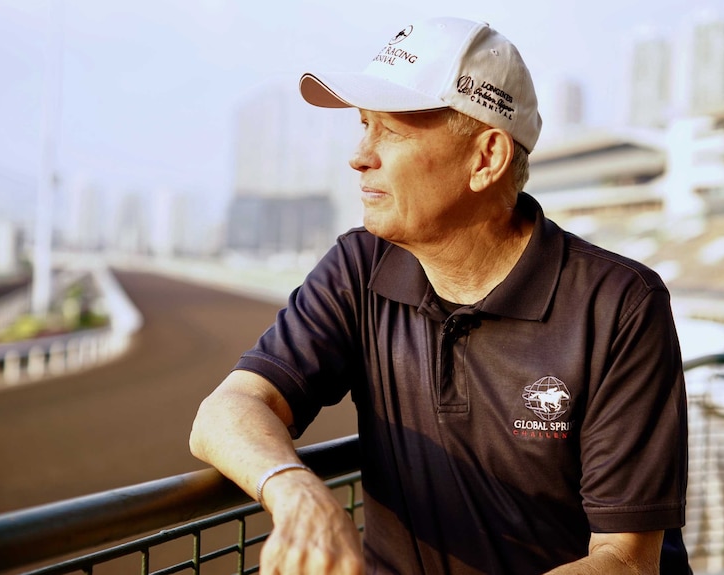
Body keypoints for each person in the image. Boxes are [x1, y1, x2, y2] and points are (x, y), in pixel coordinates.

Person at [190, 16, 690, 575]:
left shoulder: (620, 303)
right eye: (363, 126)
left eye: (393, 131)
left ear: (486, 159)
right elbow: (225, 412)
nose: (360, 155)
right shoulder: (361, 264)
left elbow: (626, 561)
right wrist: (297, 495)